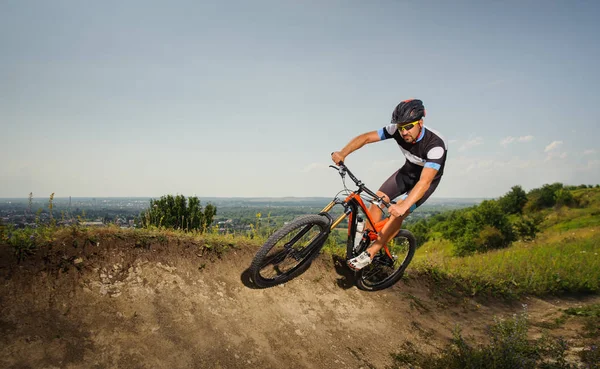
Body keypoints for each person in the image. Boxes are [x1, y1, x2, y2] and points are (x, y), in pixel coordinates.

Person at [331, 99, 448, 270]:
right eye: (401, 127)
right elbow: (366, 138)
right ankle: (364, 241)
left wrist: (403, 206)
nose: (404, 131)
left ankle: (371, 252)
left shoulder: (435, 145)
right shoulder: (396, 130)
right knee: (377, 201)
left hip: (425, 181)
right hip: (407, 172)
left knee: (398, 213)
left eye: (409, 126)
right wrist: (343, 152)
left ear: (420, 123)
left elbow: (424, 182)